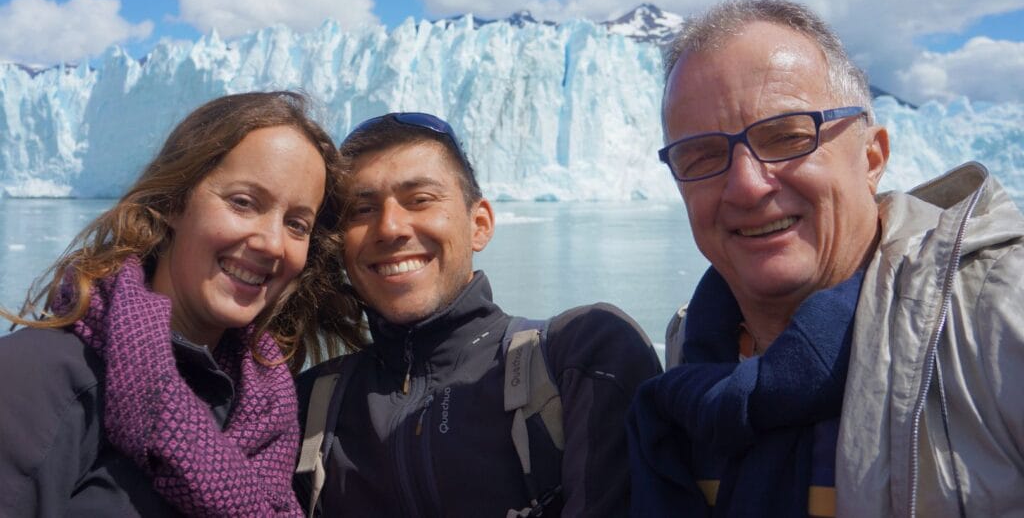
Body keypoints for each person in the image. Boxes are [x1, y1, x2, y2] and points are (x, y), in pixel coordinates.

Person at [628, 0, 1024, 517]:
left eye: (788, 137)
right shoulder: (694, 348)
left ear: (872, 158)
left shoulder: (992, 312)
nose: (746, 187)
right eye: (701, 155)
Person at [0, 91, 365, 517]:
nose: (271, 243)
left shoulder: (269, 408)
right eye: (243, 202)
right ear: (174, 202)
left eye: (296, 224)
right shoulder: (40, 378)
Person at [294, 112, 663, 517]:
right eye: (361, 210)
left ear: (480, 224)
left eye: (420, 200)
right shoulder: (310, 405)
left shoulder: (579, 357)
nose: (390, 227)